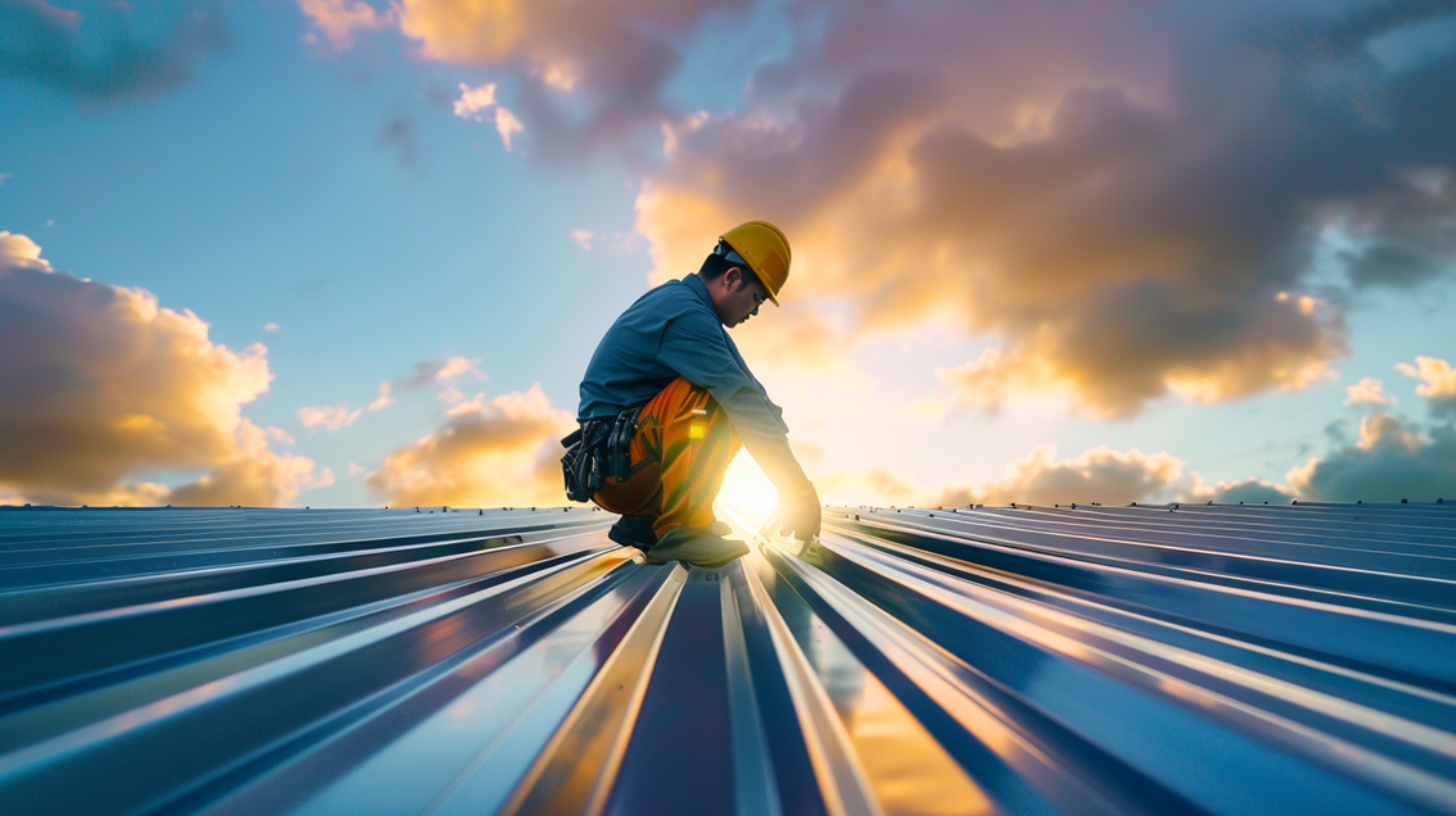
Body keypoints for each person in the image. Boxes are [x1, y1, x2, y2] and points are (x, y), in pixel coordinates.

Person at [571, 221, 820, 567]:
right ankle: (682, 527)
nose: (756, 311)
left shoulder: (696, 314)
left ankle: (646, 522)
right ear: (732, 278)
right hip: (615, 473)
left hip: (628, 462)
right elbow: (741, 400)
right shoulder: (685, 314)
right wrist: (796, 490)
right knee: (715, 395)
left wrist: (798, 486)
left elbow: (757, 399)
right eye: (757, 298)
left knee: (734, 397)